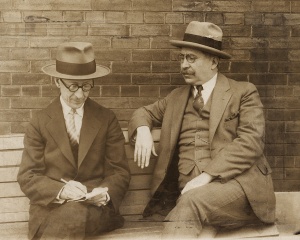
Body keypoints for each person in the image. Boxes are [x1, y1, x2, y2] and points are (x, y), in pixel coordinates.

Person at [128, 21, 276, 238]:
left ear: (214, 62)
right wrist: (142, 129)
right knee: (193, 211)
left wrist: (206, 176)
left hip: (237, 190)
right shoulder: (176, 98)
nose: (184, 65)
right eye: (182, 58)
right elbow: (143, 112)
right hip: (190, 197)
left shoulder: (243, 92)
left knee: (191, 203)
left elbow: (251, 142)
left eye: (191, 58)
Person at [17, 42, 130, 240]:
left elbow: (119, 171)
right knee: (71, 213)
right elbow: (28, 176)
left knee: (74, 213)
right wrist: (62, 191)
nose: (79, 95)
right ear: (56, 81)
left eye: (86, 86)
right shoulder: (40, 122)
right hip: (50, 208)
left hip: (94, 209)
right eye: (73, 86)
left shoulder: (106, 119)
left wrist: (105, 193)